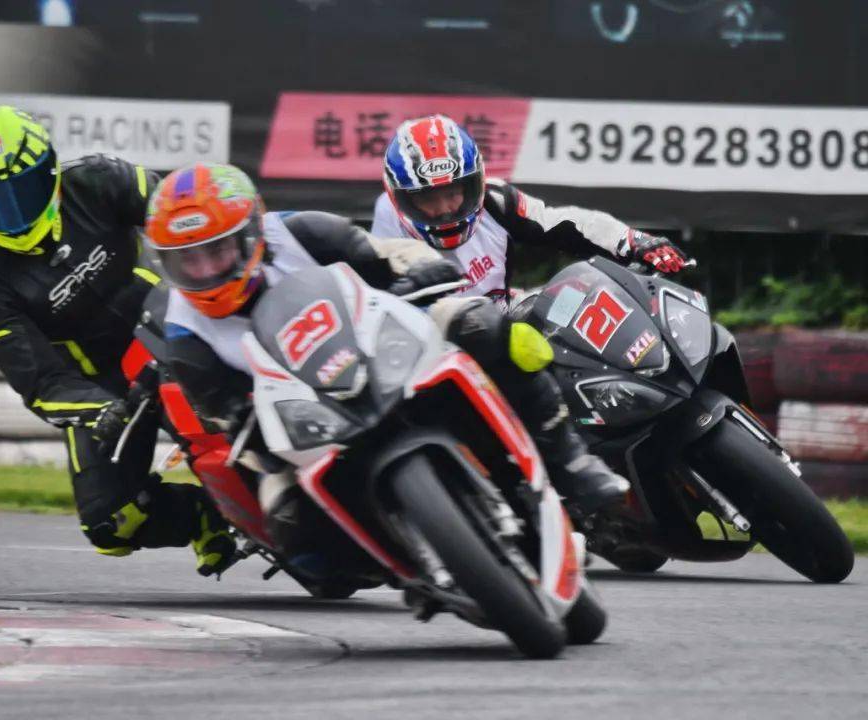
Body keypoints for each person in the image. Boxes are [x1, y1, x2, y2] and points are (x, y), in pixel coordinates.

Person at [143, 162, 628, 564]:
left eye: (216, 251)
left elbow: (386, 255)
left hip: (377, 340)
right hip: (300, 413)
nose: (205, 271)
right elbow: (225, 411)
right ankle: (390, 560)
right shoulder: (184, 333)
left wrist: (420, 272)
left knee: (493, 330)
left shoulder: (298, 232)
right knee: (292, 528)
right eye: (188, 261)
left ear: (251, 234)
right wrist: (251, 429)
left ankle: (571, 461)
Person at [0, 105, 235, 574]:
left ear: (51, 173)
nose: (13, 215)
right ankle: (204, 516)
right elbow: (42, 383)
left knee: (227, 419)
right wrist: (101, 410)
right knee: (110, 524)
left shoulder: (100, 179)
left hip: (176, 322)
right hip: (105, 385)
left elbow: (181, 217)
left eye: (22, 191)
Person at [372, 114, 692, 312]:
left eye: (453, 194)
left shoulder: (496, 200)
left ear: (474, 184)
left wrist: (632, 240)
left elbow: (564, 222)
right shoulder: (387, 226)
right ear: (401, 200)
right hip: (432, 349)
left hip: (502, 323)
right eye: (429, 199)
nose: (445, 210)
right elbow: (380, 304)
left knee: (577, 306)